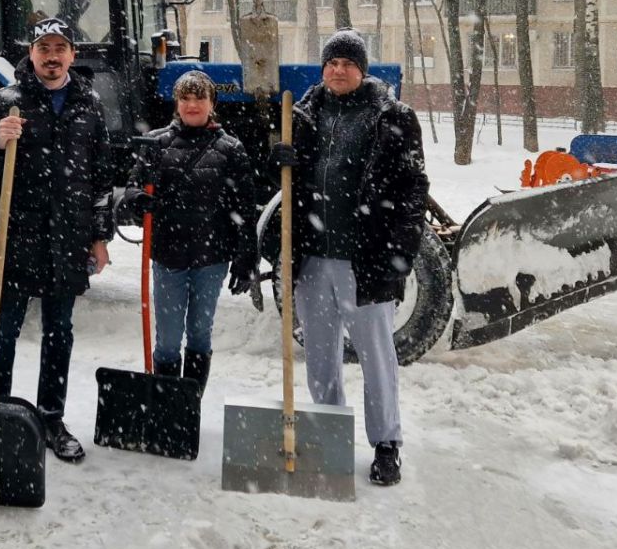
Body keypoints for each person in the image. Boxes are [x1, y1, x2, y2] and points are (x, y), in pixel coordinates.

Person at [270, 28, 429, 487]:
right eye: (332, 63)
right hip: (313, 260)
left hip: (366, 260)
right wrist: (279, 158)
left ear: (363, 70)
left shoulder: (391, 117)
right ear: (323, 69)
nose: (339, 70)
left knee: (377, 356)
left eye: (348, 63)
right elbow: (280, 189)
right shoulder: (301, 116)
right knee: (319, 355)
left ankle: (386, 444)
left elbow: (413, 189)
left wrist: (399, 254)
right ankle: (329, 432)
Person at [0, 16, 113, 463]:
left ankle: (51, 417)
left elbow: (101, 175)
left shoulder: (89, 104)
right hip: (17, 234)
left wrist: (100, 235)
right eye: (43, 47)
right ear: (32, 53)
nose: (52, 55)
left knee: (59, 332)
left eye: (60, 47)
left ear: (72, 54)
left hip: (68, 237)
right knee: (4, 329)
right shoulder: (5, 101)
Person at [119, 70, 257, 393]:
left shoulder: (231, 149)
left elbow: (245, 209)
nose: (192, 105)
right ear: (176, 103)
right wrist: (138, 200)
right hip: (168, 258)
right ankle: (168, 405)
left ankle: (189, 406)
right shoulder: (155, 144)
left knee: (199, 333)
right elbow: (131, 188)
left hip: (211, 260)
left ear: (212, 103)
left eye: (200, 98)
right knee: (167, 338)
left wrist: (246, 256)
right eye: (186, 98)